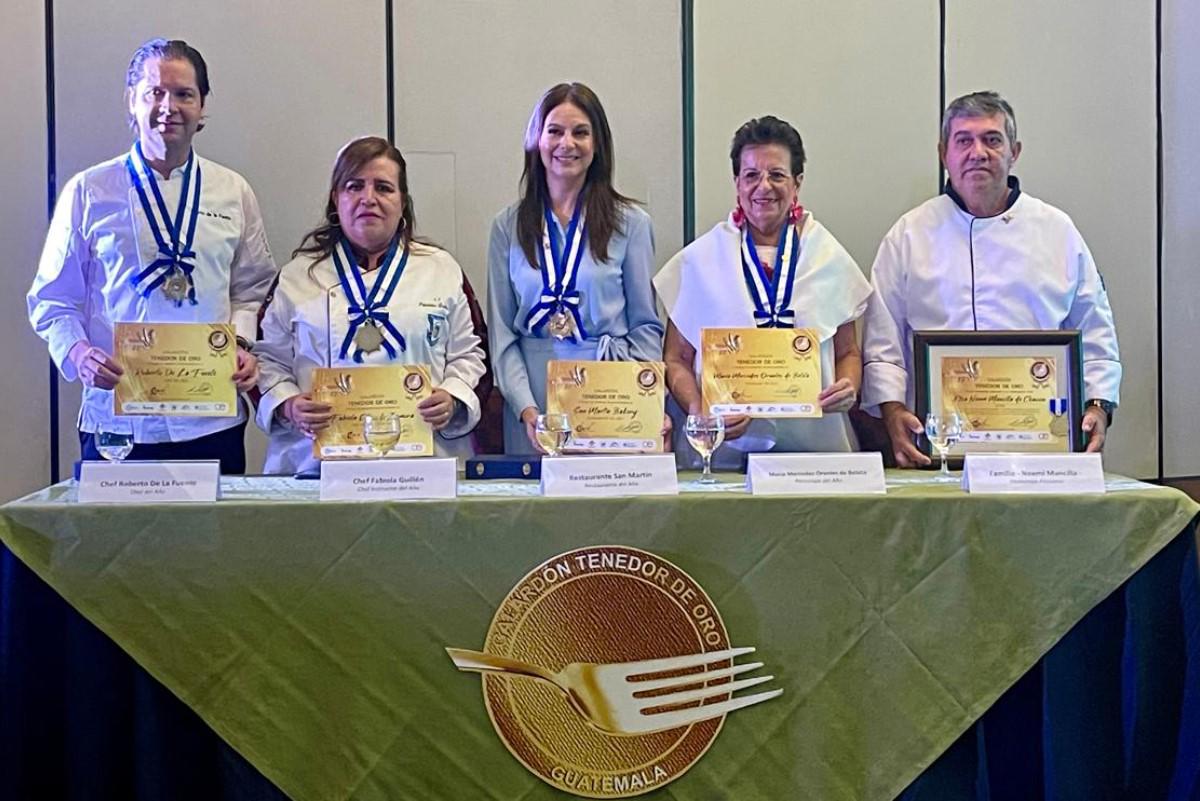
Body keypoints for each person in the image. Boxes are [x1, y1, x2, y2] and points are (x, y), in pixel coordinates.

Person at [27, 38, 275, 474]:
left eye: (184, 94)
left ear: (202, 106)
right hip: (119, 418)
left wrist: (238, 344)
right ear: (132, 101)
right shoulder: (89, 190)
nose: (169, 106)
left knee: (209, 541)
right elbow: (52, 299)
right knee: (115, 542)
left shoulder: (233, 191)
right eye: (155, 92)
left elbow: (251, 288)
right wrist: (78, 353)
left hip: (209, 417)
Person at [861, 91, 1122, 466]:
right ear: (943, 153)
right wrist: (891, 410)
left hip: (1039, 444)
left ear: (1014, 151)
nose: (978, 152)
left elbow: (1095, 330)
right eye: (964, 140)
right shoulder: (909, 233)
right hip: (937, 444)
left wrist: (1098, 405)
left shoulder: (1057, 230)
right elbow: (883, 343)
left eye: (992, 139)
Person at [255, 136, 487, 473]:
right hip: (315, 466)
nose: (369, 199)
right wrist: (288, 404)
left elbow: (472, 354)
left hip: (422, 464)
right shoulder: (296, 277)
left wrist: (453, 398)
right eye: (354, 186)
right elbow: (267, 361)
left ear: (402, 201)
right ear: (336, 199)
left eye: (383, 187)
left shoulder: (442, 270)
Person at [656, 116, 872, 465]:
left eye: (777, 175)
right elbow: (676, 358)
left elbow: (847, 351)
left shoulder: (827, 255)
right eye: (752, 175)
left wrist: (848, 386)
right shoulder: (701, 260)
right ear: (737, 182)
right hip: (722, 447)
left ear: (797, 182)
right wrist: (700, 413)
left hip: (814, 448)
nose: (763, 186)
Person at [487, 82, 663, 454]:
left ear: (597, 145)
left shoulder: (631, 224)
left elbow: (646, 326)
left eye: (580, 132)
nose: (567, 144)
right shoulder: (507, 226)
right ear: (536, 140)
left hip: (609, 394)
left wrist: (641, 399)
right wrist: (527, 410)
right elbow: (502, 335)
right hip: (531, 401)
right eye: (555, 131)